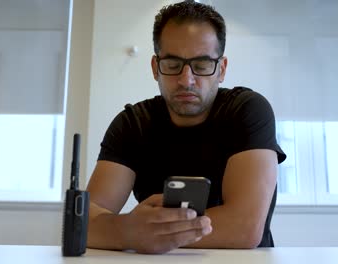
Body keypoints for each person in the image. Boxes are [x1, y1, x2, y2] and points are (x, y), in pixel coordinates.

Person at [86, 0, 286, 254]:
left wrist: (135, 233)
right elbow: (84, 221)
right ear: (155, 68)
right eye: (172, 65)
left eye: (202, 66)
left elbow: (244, 227)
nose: (186, 80)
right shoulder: (132, 124)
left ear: (221, 69)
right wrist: (128, 231)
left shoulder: (246, 111)